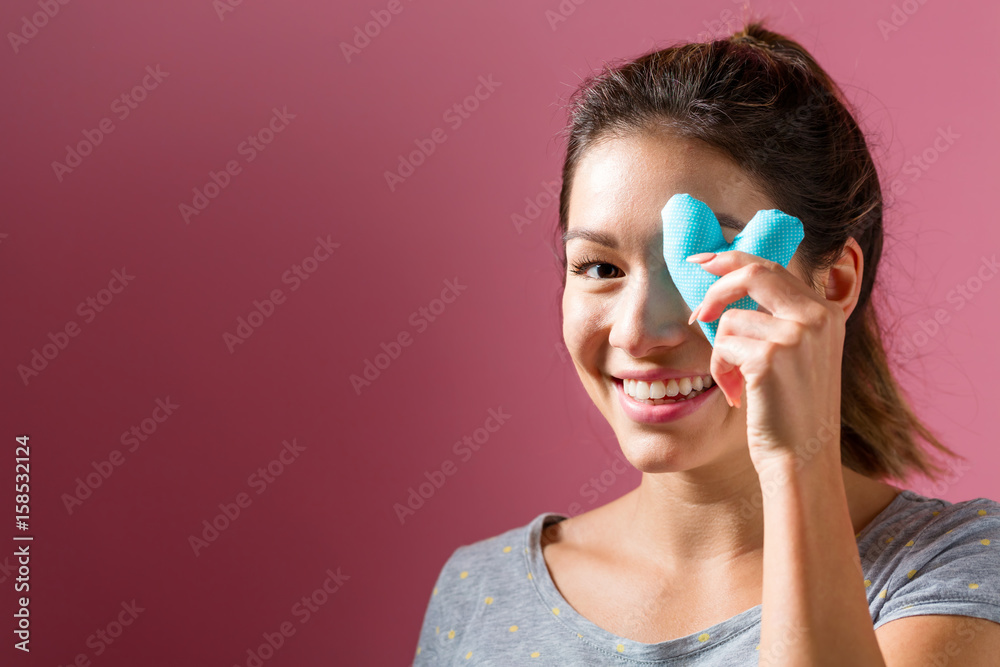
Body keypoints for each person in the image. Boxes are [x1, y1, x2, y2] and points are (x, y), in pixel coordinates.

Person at [413, 19, 1000, 666]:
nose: (639, 330)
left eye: (704, 266)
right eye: (600, 268)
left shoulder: (953, 570)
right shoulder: (479, 592)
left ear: (833, 285)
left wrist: (796, 459)